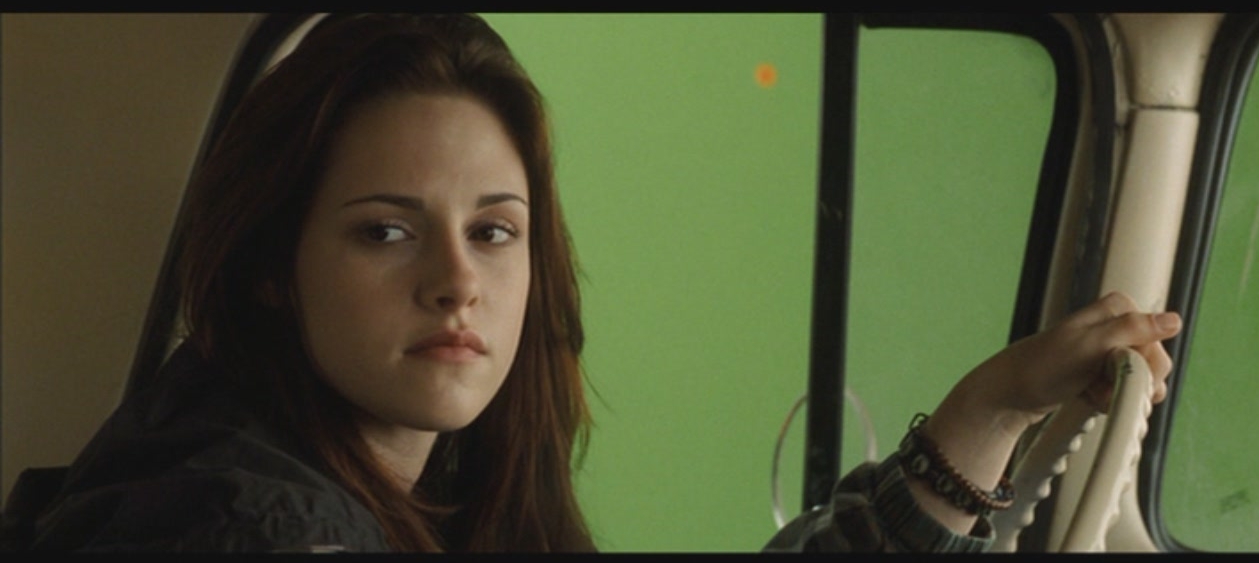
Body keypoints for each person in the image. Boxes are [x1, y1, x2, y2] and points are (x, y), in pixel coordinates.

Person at [10, 13, 1182, 552]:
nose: (456, 281)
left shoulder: (424, 478)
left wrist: (991, 408)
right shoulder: (250, 524)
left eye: (494, 230)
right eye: (385, 232)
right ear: (273, 267)